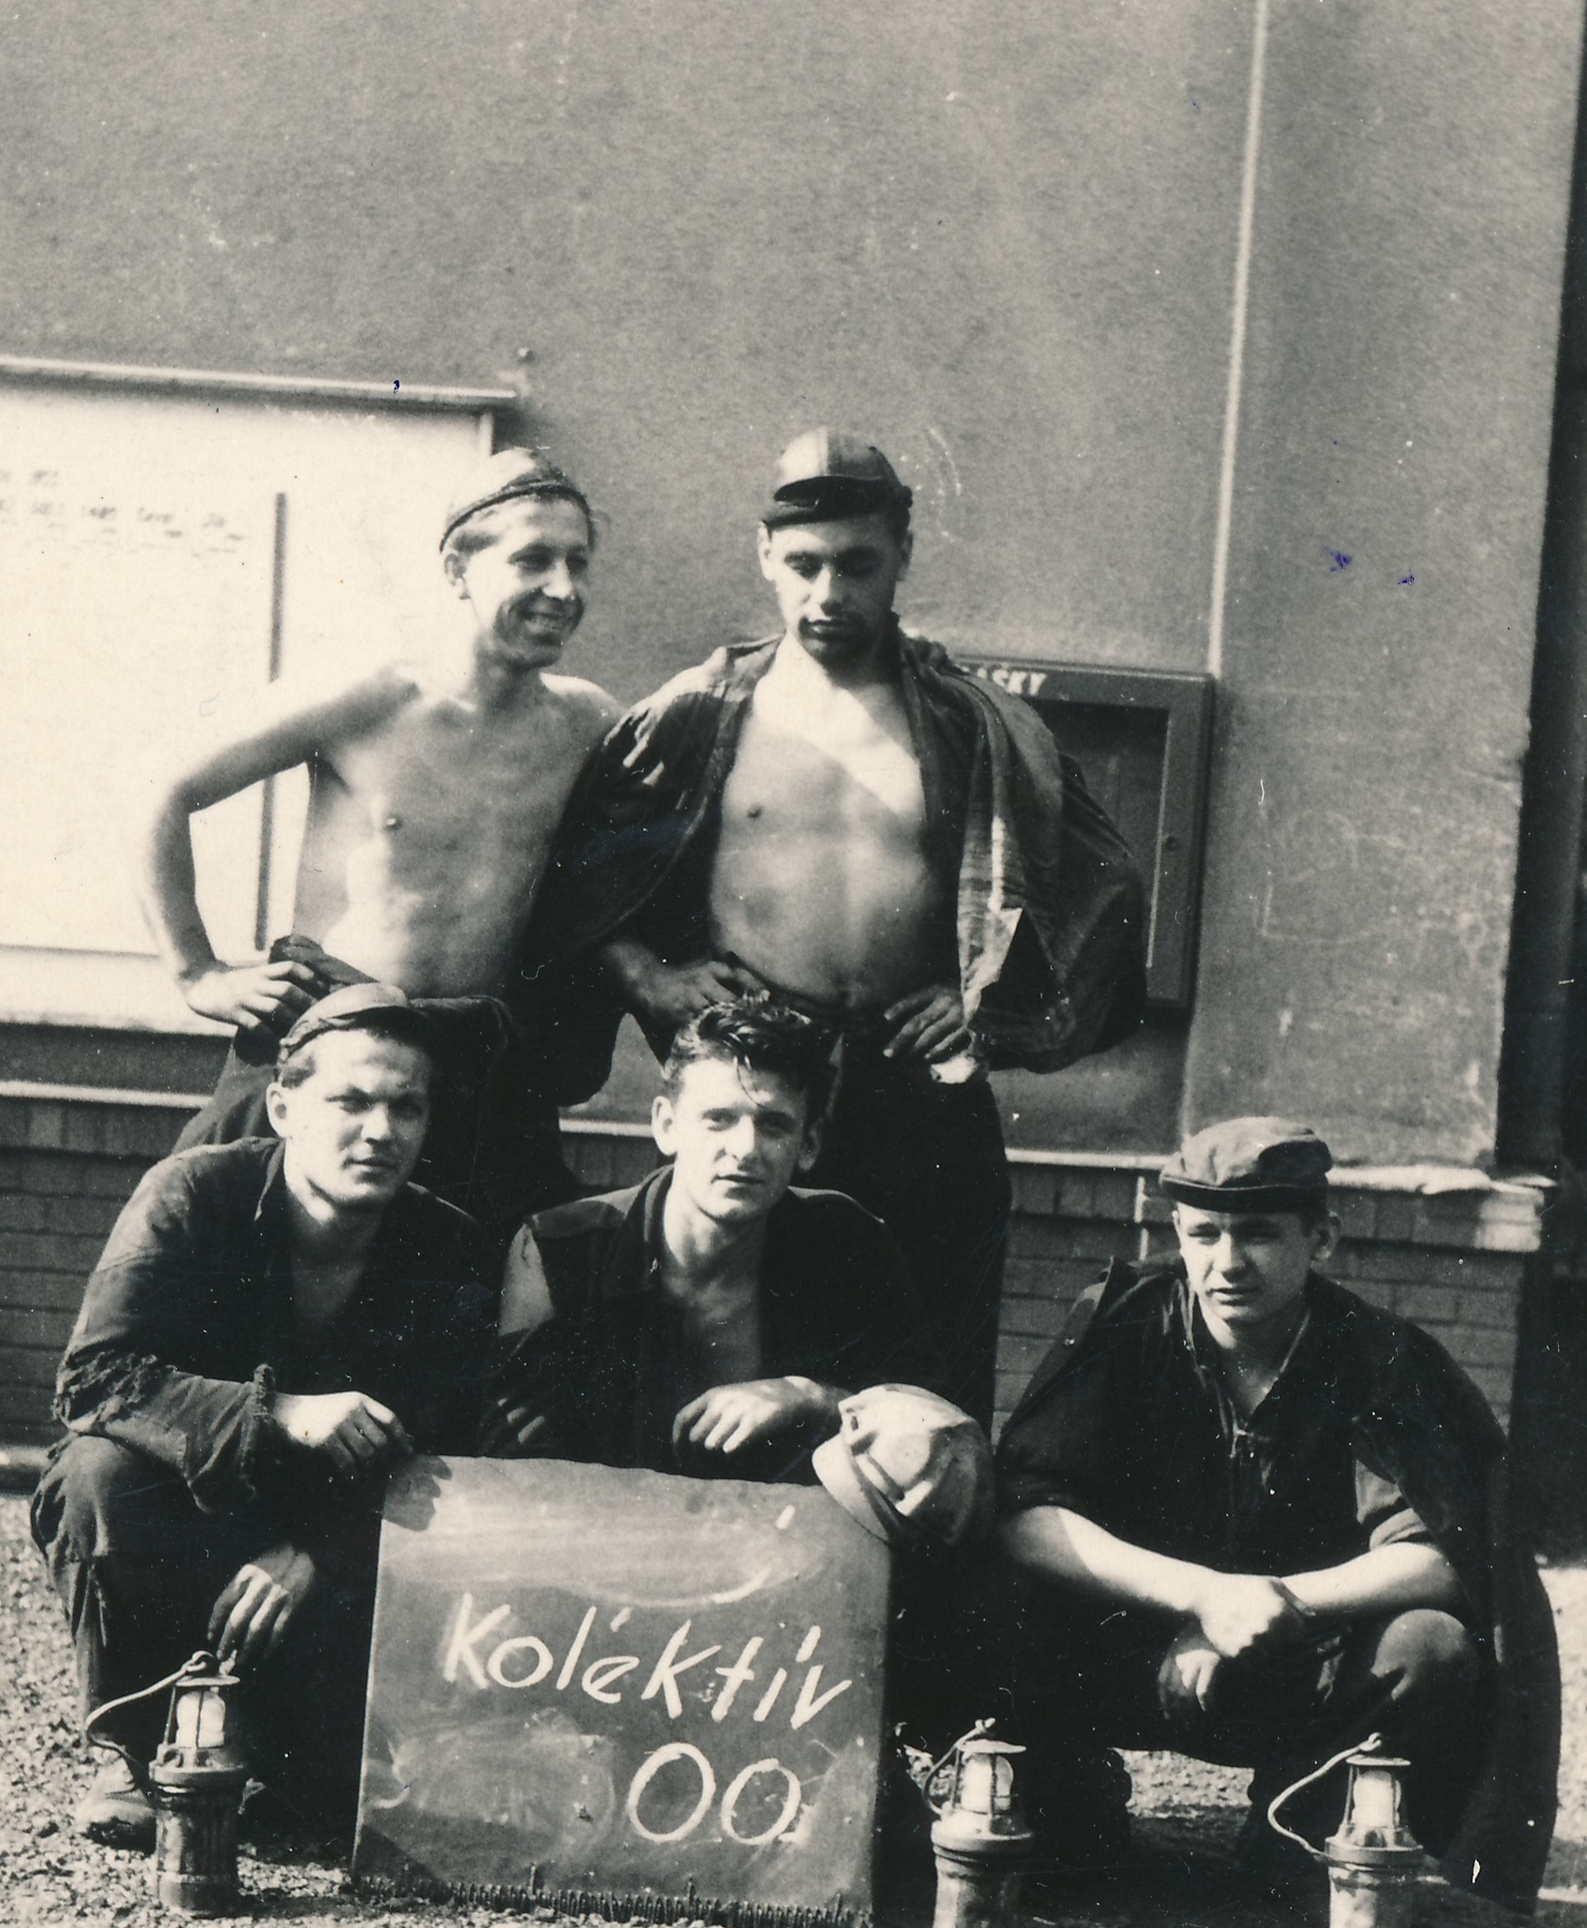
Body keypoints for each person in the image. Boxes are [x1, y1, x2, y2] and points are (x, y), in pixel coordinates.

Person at [524, 429, 1144, 1427]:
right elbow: (570, 882)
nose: (828, 594)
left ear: (902, 556)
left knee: (926, 1389)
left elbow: (1099, 892)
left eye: (857, 565)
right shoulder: (695, 715)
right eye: (804, 564)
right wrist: (649, 978)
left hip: (919, 1095)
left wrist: (987, 1004)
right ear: (764, 555)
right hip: (762, 1085)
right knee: (736, 1369)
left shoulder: (975, 725)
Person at [992, 1118, 1562, 1911]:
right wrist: (1202, 1596)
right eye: (1203, 1234)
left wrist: (1274, 1603)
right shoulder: (1125, 1324)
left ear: (1320, 1238)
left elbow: (1438, 1554)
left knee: (1429, 1648)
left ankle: (1295, 1823)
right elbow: (1027, 1513)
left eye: (1258, 1234)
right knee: (994, 1601)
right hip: (1130, 1642)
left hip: (1297, 1654)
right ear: (1176, 1234)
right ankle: (1070, 1797)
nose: (1226, 1263)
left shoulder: (1376, 1356)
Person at [31, 985, 497, 1850]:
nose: (381, 1131)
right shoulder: (192, 1193)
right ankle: (141, 1748)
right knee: (96, 1474)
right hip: (188, 1499)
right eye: (350, 1101)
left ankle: (279, 1745)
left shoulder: (451, 1246)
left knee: (323, 1808)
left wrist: (321, 1548)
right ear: (283, 1107)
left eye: (406, 1107)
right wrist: (277, 1411)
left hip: (334, 1538)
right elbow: (94, 1379)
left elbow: (454, 1449)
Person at [141, 448, 618, 1238]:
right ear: (458, 568)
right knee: (209, 1250)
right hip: (329, 1039)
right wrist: (198, 972)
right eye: (533, 559)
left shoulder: (588, 723)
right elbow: (164, 789)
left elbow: (640, 871)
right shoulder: (371, 697)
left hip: (470, 1070)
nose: (564, 589)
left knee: (496, 1286)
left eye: (578, 562)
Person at [485, 999, 942, 1482]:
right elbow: (513, 1476)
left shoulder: (847, 1243)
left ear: (808, 1145)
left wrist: (814, 1398)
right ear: (666, 1125)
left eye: (774, 1125)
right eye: (718, 1118)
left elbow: (931, 1426)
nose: (745, 1150)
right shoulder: (560, 1252)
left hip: (785, 1528)